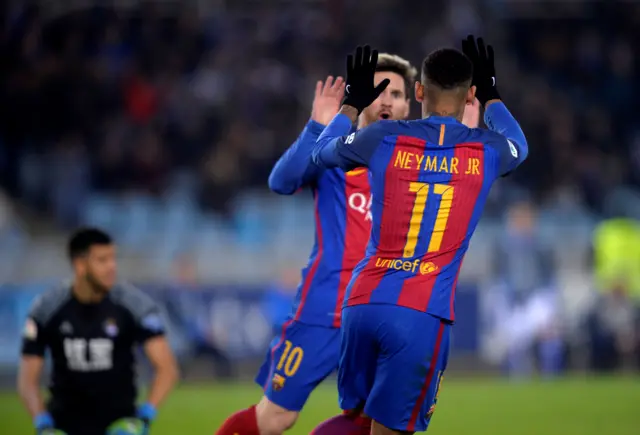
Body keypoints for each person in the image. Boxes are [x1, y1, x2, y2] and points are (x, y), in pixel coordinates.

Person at [311, 36, 528, 434]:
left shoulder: (383, 137)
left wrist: (351, 105)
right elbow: (521, 146)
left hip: (362, 303)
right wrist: (493, 95)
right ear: (469, 97)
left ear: (419, 90)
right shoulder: (487, 150)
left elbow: (319, 153)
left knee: (359, 421)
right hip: (419, 314)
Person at [215, 54, 421, 435]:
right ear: (361, 99)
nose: (388, 100)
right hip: (328, 308)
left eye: (397, 93)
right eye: (378, 91)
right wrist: (317, 124)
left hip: (384, 314)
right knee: (277, 416)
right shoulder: (335, 152)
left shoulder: (419, 163)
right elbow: (281, 181)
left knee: (379, 422)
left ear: (409, 103)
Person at [18, 228, 179, 435]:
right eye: (102, 260)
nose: (112, 267)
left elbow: (167, 368)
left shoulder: (134, 305)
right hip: (64, 424)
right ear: (80, 265)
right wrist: (43, 424)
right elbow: (27, 380)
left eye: (113, 259)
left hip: (118, 426)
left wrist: (144, 417)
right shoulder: (47, 309)